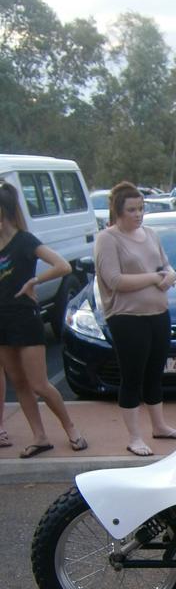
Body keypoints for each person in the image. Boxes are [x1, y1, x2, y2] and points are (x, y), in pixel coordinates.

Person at [94, 181, 176, 457]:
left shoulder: (151, 234)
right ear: (118, 212)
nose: (138, 214)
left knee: (155, 373)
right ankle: (134, 436)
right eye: (131, 210)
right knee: (132, 376)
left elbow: (165, 264)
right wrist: (155, 278)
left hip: (158, 313)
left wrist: (169, 275)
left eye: (141, 209)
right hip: (127, 317)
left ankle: (159, 425)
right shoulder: (108, 238)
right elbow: (115, 280)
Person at [0, 181, 87, 458]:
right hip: (1, 322)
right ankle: (39, 436)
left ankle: (71, 429)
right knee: (19, 383)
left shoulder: (24, 241)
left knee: (39, 383)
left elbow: (61, 265)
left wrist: (34, 281)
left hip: (24, 319)